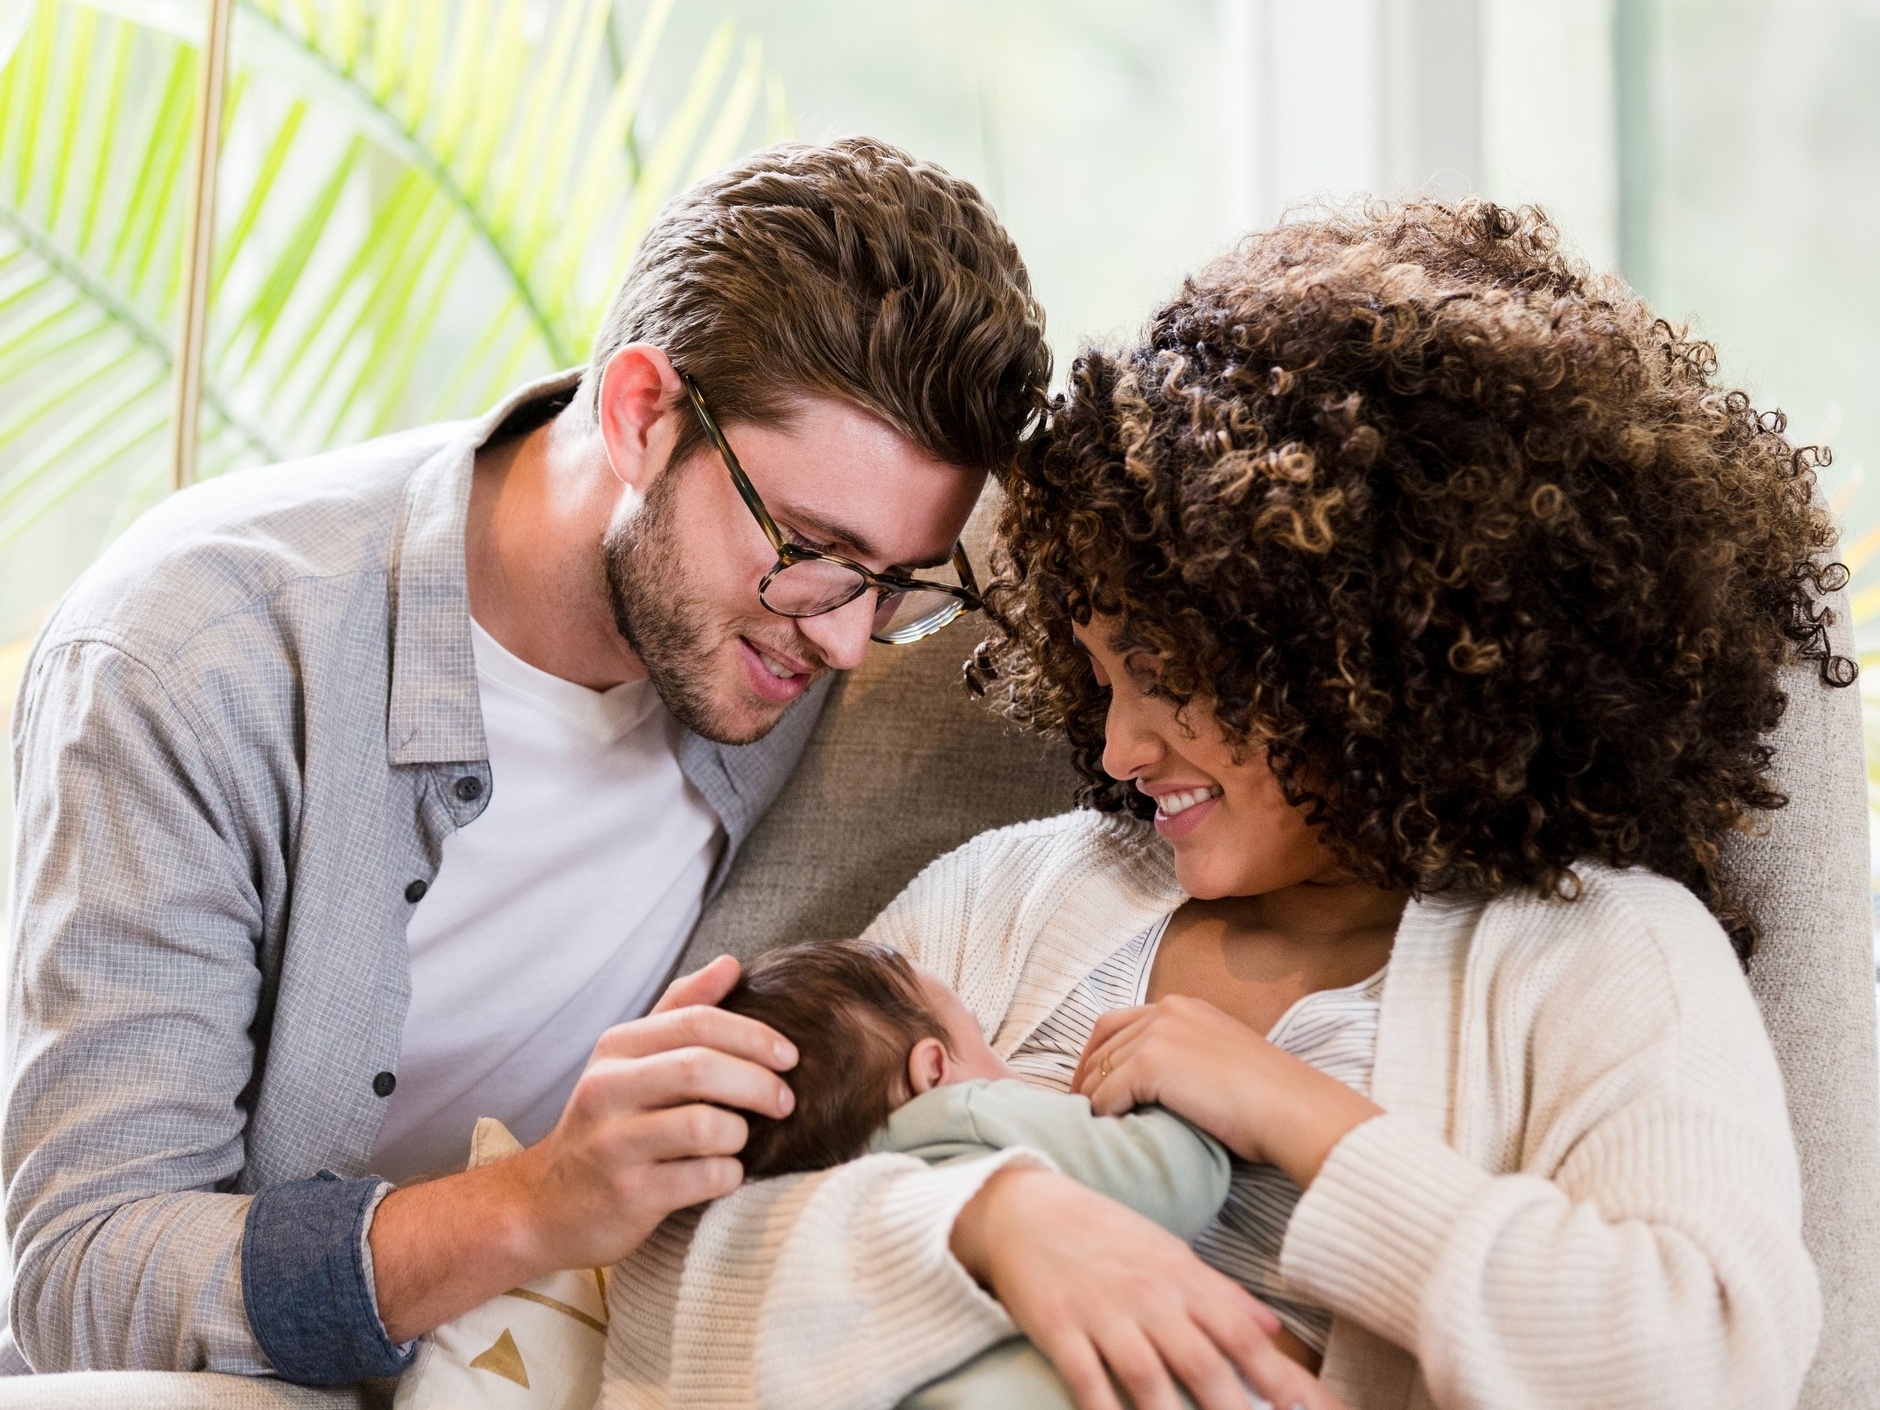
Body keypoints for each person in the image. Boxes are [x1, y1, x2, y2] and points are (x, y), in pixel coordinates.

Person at [639, 200, 1844, 1410]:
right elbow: (657, 1251)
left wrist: (1302, 1121)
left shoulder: (1604, 954)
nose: (1115, 750)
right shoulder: (1009, 899)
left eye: (1163, 679)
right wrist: (986, 1221)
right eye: (1101, 679)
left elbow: (1709, 1358)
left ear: (1360, 656)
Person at [3, 138, 1053, 1384]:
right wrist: (534, 1203)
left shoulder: (813, 611)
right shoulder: (199, 655)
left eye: (893, 586)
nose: (841, 641)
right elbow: (83, 1271)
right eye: (813, 551)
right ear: (637, 412)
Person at [600, 938, 1251, 1410]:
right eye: (981, 1036)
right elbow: (1173, 1182)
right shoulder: (972, 1113)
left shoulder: (811, 1217)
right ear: (934, 1068)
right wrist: (1175, 1091)